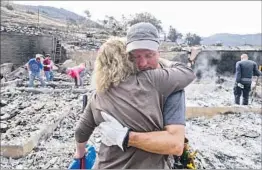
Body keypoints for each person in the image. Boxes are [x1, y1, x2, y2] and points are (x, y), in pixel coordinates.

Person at [74, 37, 195, 168]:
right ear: (128, 59)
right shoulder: (150, 80)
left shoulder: (97, 96)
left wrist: (80, 153)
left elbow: (81, 131)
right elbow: (187, 73)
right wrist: (157, 57)